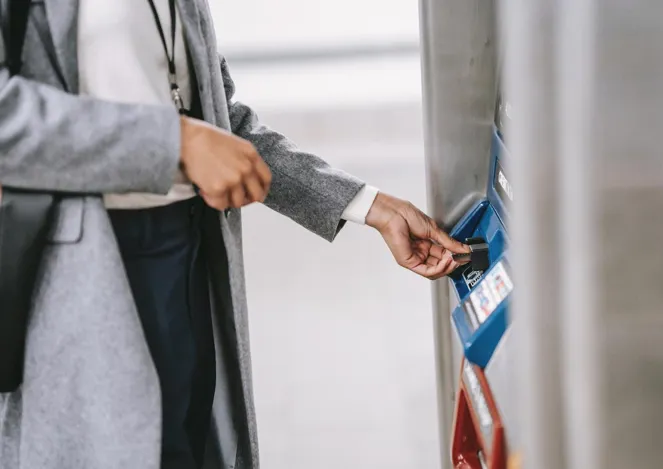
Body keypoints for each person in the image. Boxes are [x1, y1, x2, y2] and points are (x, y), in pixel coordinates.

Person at [0, 1, 469, 468]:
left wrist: (368, 204)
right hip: (83, 270)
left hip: (188, 251)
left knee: (187, 445)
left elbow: (223, 125)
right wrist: (175, 142)